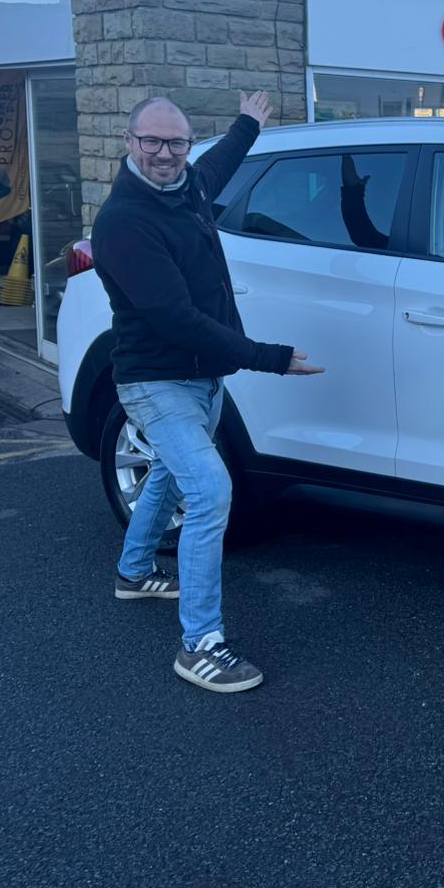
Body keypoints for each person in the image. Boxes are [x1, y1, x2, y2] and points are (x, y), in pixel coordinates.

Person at [92, 90, 324, 694]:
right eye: (152, 141)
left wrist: (248, 123)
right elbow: (175, 318)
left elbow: (217, 168)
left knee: (171, 475)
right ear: (129, 142)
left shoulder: (189, 182)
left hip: (200, 377)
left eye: (176, 142)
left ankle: (133, 571)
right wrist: (268, 358)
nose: (165, 153)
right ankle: (200, 645)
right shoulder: (124, 221)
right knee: (210, 487)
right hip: (156, 382)